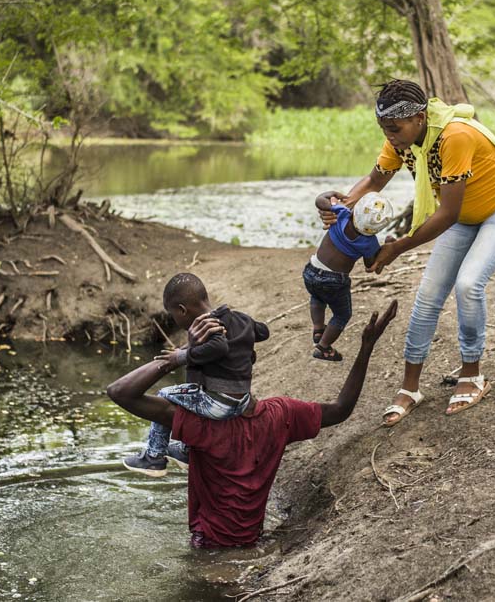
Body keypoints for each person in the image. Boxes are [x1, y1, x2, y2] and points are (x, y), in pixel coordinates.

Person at [320, 79, 495, 424]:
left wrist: (398, 247)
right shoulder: (402, 140)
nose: (390, 136)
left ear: (420, 117)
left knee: (468, 284)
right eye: (384, 129)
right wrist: (342, 207)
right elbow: (375, 181)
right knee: (429, 294)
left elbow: (447, 213)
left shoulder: (454, 136)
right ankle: (410, 387)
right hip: (467, 214)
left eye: (394, 128)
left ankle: (472, 375)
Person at [107, 300, 398, 548]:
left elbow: (120, 392)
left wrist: (181, 356)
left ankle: (168, 453)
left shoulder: (197, 423)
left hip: (208, 546)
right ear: (253, 360)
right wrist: (366, 347)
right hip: (252, 540)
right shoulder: (281, 415)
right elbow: (341, 409)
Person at [122, 272, 270, 477]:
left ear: (182, 310)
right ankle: (185, 451)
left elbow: (219, 347)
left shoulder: (209, 326)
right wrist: (243, 342)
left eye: (173, 315)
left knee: (164, 394)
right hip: (242, 400)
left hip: (220, 403)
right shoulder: (241, 319)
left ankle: (154, 458)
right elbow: (263, 332)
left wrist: (181, 356)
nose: (175, 320)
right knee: (188, 395)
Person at [304, 190, 390, 362]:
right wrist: (387, 245)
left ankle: (318, 328)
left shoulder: (342, 214)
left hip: (311, 270)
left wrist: (330, 195)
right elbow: (370, 266)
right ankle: (323, 347)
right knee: (342, 315)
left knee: (317, 296)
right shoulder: (370, 242)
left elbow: (319, 201)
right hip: (334, 281)